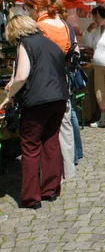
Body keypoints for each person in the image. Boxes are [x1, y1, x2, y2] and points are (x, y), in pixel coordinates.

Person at [1, 16, 69, 209]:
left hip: (37, 102)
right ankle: (50, 189)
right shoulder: (51, 44)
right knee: (51, 142)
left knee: (30, 149)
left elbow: (22, 75)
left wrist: (10, 95)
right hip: (58, 99)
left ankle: (31, 197)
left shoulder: (25, 44)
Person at [23, 0, 76, 179]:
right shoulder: (63, 24)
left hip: (44, 81)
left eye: (28, 9)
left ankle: (47, 175)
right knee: (64, 126)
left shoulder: (40, 27)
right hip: (62, 78)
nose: (28, 14)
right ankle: (68, 169)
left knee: (45, 136)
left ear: (36, 8)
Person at [54, 0, 84, 165]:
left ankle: (72, 154)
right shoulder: (67, 26)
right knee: (71, 111)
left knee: (68, 112)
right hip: (69, 72)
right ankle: (77, 151)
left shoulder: (58, 27)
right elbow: (76, 51)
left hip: (61, 73)